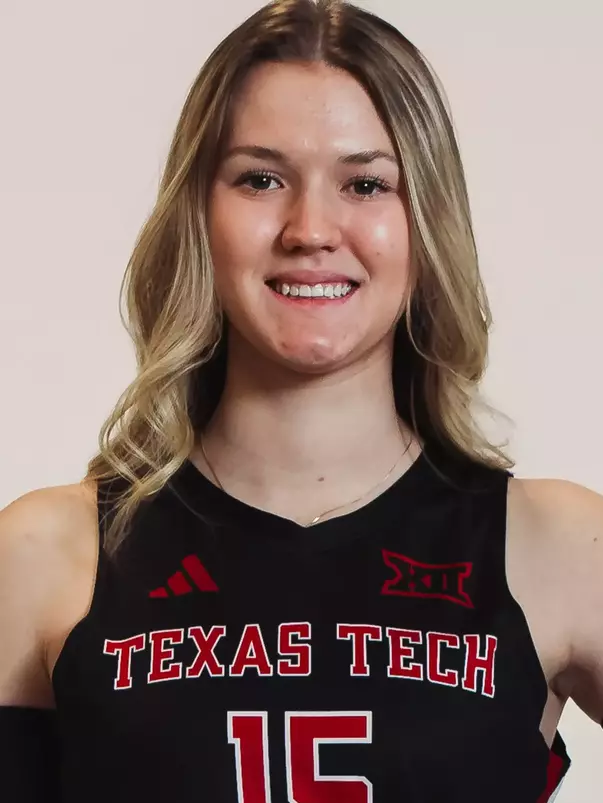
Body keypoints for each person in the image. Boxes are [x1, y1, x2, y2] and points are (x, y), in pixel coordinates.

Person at [1, 0, 601, 800]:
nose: (311, 227)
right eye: (260, 178)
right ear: (199, 215)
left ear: (425, 221)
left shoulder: (555, 547)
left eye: (364, 182)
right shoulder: (47, 556)